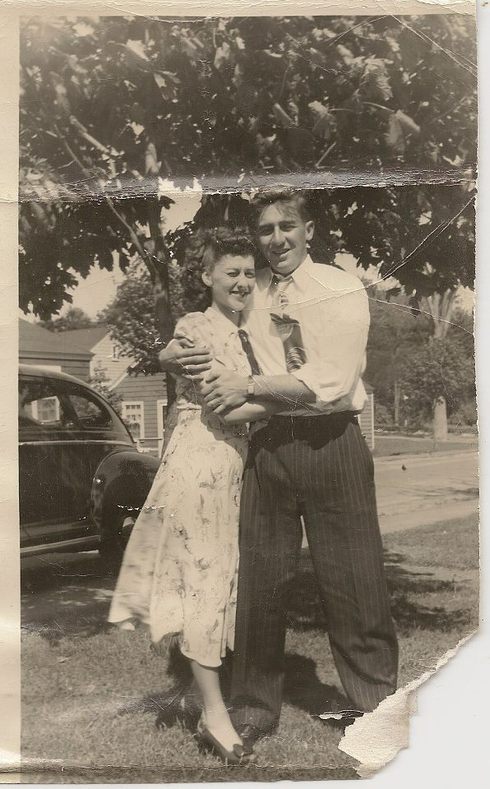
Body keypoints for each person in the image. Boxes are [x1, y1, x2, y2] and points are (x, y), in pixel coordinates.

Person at [160, 188, 398, 749]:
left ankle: (376, 707)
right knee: (261, 582)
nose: (276, 239)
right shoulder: (251, 290)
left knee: (354, 580)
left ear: (308, 231)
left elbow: (332, 381)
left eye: (286, 227)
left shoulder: (341, 288)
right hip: (268, 445)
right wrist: (169, 352)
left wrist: (248, 385)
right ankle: (253, 704)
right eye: (265, 230)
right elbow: (201, 325)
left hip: (331, 441)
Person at [108, 228, 284, 764]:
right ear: (207, 277)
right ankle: (214, 715)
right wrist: (297, 400)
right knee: (205, 578)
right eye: (231, 272)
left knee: (219, 578)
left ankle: (200, 693)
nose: (243, 281)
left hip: (233, 464)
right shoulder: (194, 327)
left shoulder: (252, 329)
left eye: (249, 272)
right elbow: (223, 403)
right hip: (200, 463)